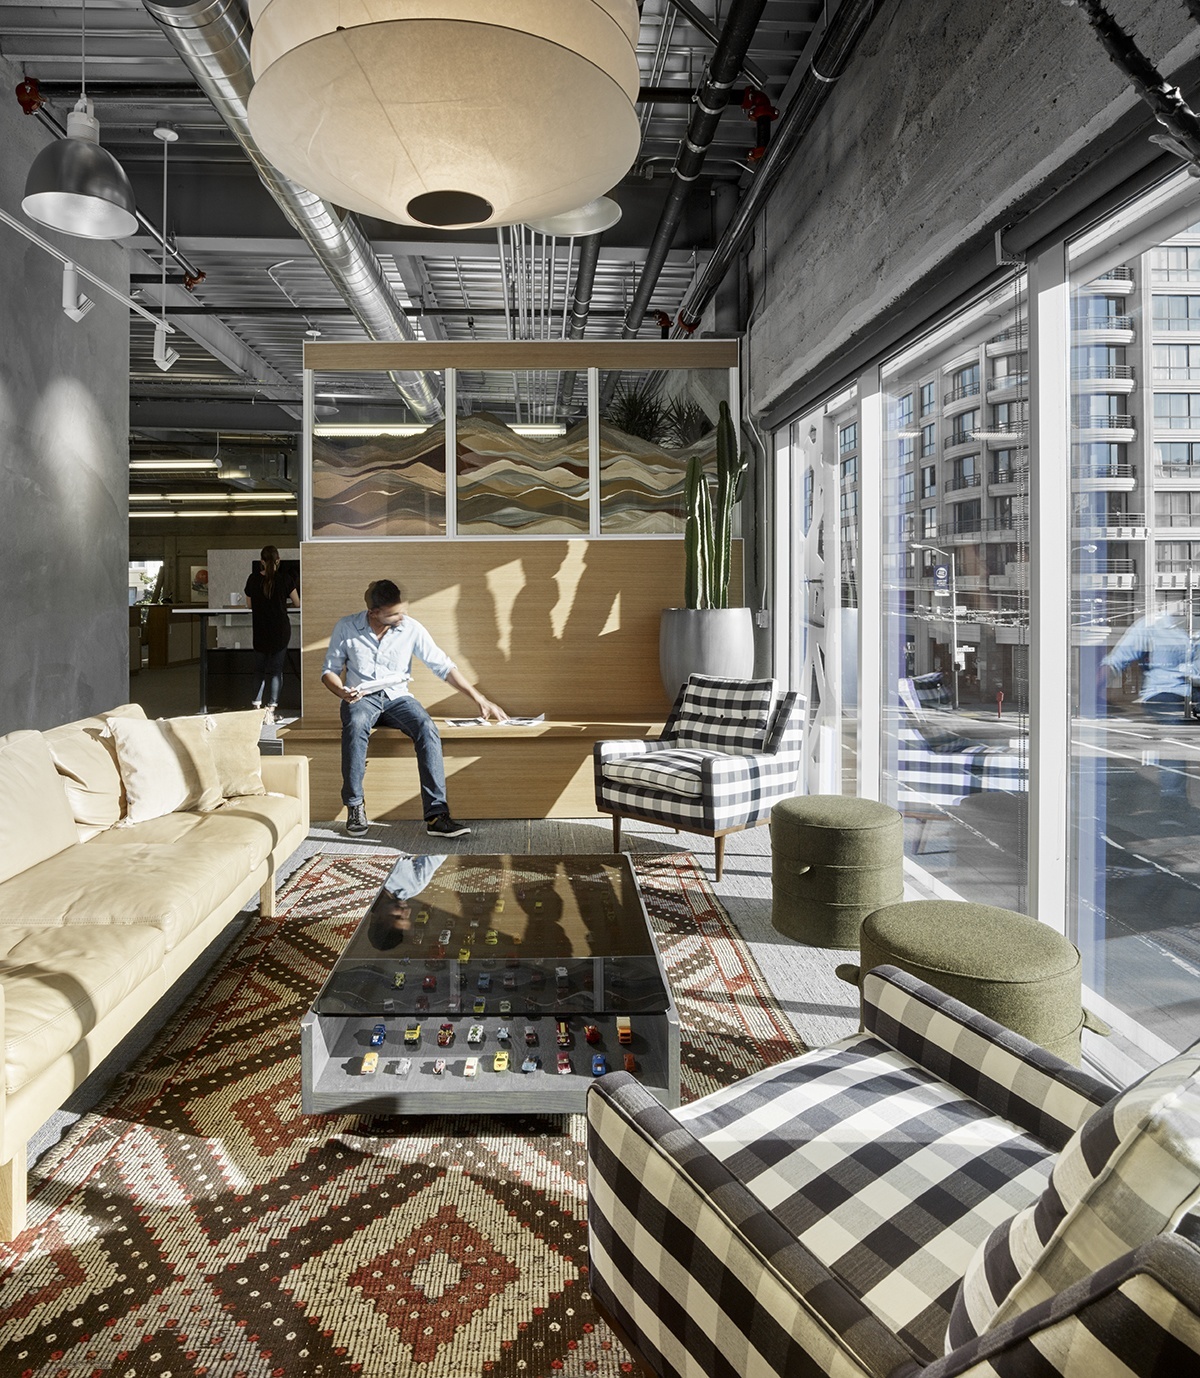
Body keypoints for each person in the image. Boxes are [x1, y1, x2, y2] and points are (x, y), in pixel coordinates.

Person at [321, 578, 506, 838]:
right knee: (356, 724)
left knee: (426, 727)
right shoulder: (346, 627)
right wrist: (342, 691)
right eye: (393, 614)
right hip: (361, 698)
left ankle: (436, 815)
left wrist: (479, 698)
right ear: (373, 613)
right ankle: (355, 805)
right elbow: (329, 671)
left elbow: (443, 666)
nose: (400, 618)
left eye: (402, 611)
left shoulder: (411, 628)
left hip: (398, 698)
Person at [244, 545, 299, 723]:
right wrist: (282, 603)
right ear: (278, 561)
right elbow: (297, 603)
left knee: (259, 670)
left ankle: (256, 709)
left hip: (260, 630)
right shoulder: (286, 579)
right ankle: (271, 710)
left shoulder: (253, 579)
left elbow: (249, 605)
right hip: (280, 630)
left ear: (261, 561)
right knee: (276, 671)